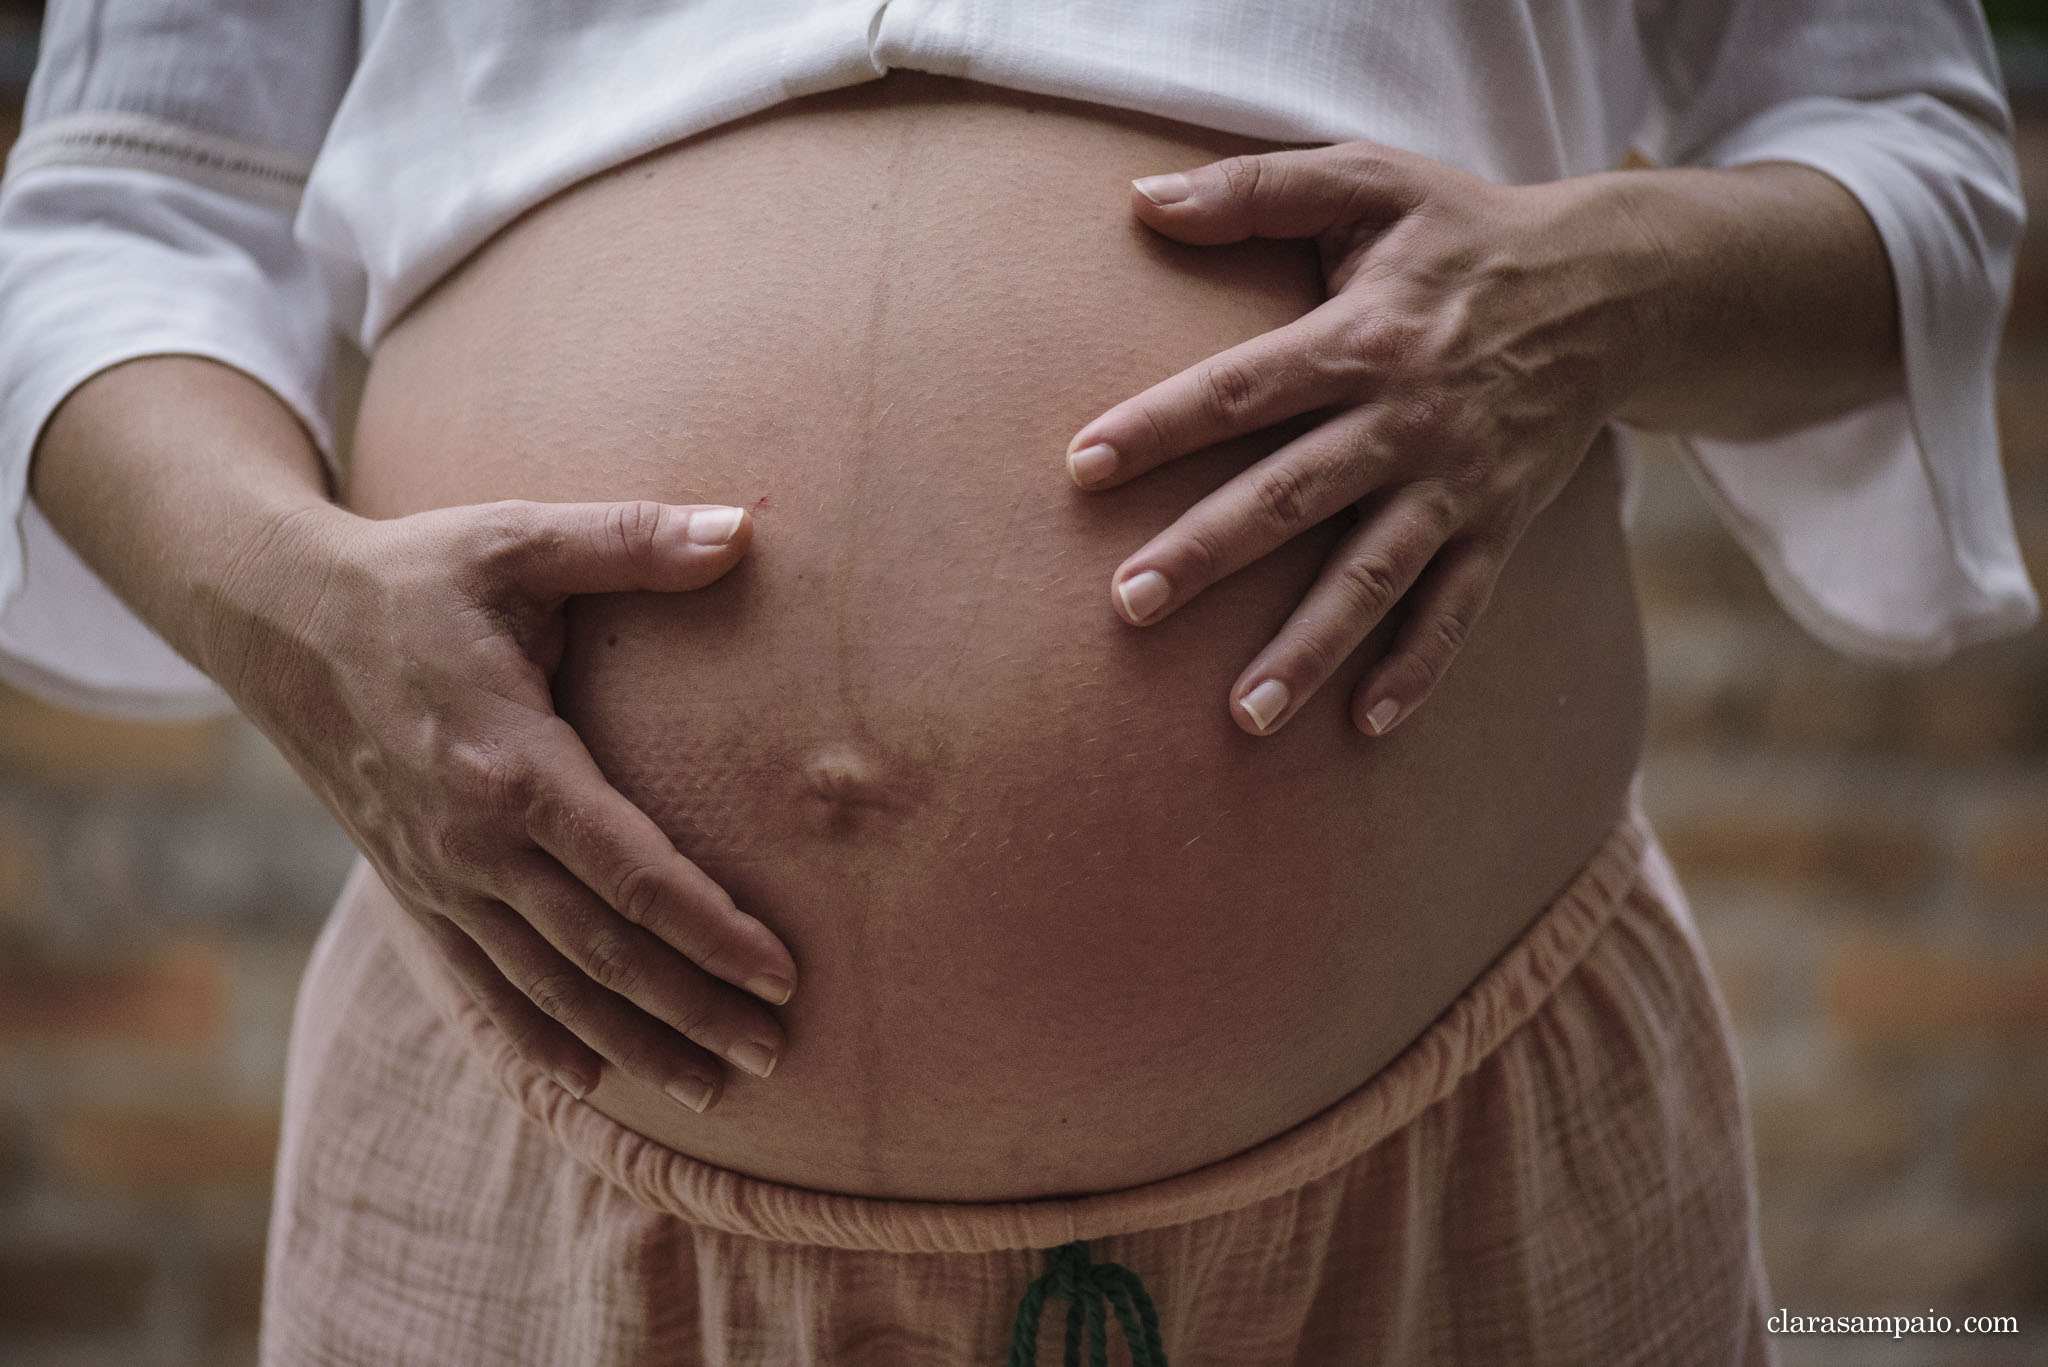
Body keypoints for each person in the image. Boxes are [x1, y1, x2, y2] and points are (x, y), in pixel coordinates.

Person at [0, 2, 2035, 1363]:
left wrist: (1597, 295)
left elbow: (1912, 166)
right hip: (541, 1165)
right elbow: (121, 213)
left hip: (1434, 1173)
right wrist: (293, 606)